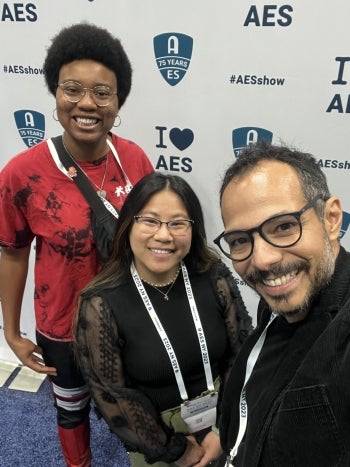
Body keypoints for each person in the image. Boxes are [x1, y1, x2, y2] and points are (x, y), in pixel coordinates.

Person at [0, 23, 154, 467]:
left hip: (130, 321)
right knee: (71, 411)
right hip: (62, 327)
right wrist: (12, 332)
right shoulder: (22, 173)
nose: (87, 103)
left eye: (102, 93)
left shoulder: (136, 160)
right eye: (72, 89)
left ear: (118, 102)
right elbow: (12, 252)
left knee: (136, 403)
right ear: (55, 94)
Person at [73, 172, 252, 467]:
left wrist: (223, 428)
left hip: (224, 417)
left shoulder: (212, 276)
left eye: (178, 223)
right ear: (128, 224)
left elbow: (241, 352)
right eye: (150, 220)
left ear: (193, 228)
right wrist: (175, 451)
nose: (164, 235)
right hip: (156, 438)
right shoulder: (99, 304)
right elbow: (113, 396)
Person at [213, 141, 350, 467]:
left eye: (285, 226)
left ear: (331, 218)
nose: (262, 260)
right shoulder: (282, 299)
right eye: (240, 241)